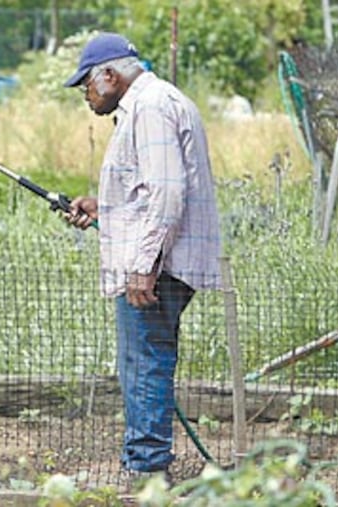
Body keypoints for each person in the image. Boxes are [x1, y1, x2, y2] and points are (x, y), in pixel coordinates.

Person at [62, 32, 222, 484]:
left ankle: (147, 471)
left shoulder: (149, 109)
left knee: (144, 360)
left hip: (159, 264)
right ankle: (146, 464)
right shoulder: (154, 103)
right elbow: (151, 186)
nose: (86, 97)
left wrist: (143, 266)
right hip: (163, 258)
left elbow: (168, 195)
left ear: (109, 76)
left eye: (86, 87)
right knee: (146, 358)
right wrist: (103, 205)